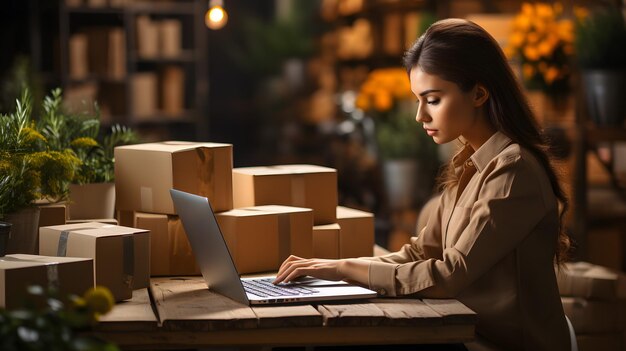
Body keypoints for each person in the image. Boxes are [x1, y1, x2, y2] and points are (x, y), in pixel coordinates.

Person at [274, 18, 571, 351]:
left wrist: (345, 269)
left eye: (432, 100)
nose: (420, 116)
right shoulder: (468, 164)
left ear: (479, 93)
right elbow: (419, 253)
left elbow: (449, 275)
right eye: (418, 100)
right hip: (461, 334)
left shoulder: (513, 169)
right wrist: (331, 269)